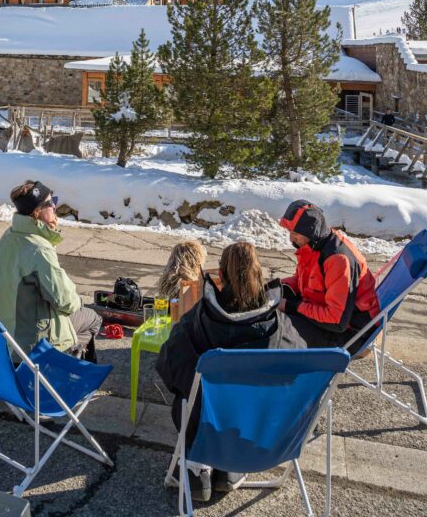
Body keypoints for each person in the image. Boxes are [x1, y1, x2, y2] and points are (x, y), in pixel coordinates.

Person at [156, 241, 305, 503]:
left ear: (220, 276)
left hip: (204, 425)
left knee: (187, 397)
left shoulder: (199, 319)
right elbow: (298, 373)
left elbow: (169, 367)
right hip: (256, 428)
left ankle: (196, 467)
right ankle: (229, 468)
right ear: (259, 275)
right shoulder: (279, 326)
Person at [0, 180, 101, 360]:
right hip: (32, 345)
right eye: (51, 203)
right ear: (37, 212)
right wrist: (77, 298)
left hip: (8, 336)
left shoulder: (9, 236)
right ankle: (69, 374)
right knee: (92, 318)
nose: (55, 207)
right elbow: (67, 302)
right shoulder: (39, 249)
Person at [277, 200, 379, 351]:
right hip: (326, 314)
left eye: (295, 234)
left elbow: (336, 320)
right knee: (270, 312)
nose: (291, 239)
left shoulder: (337, 260)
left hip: (350, 333)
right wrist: (274, 287)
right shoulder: (316, 244)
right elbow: (302, 280)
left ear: (309, 232)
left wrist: (291, 306)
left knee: (278, 329)